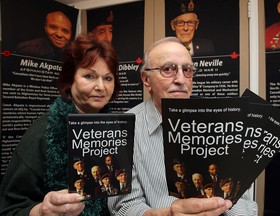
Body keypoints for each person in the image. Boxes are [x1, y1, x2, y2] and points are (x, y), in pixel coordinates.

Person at [108, 36, 258, 215]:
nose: (181, 79)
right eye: (168, 69)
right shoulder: (122, 129)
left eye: (187, 69)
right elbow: (124, 206)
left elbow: (243, 200)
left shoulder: (221, 124)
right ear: (146, 79)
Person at [0, 33, 120, 216]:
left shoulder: (117, 131)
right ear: (70, 78)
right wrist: (42, 211)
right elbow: (9, 208)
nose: (101, 87)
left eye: (108, 78)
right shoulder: (42, 133)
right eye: (89, 76)